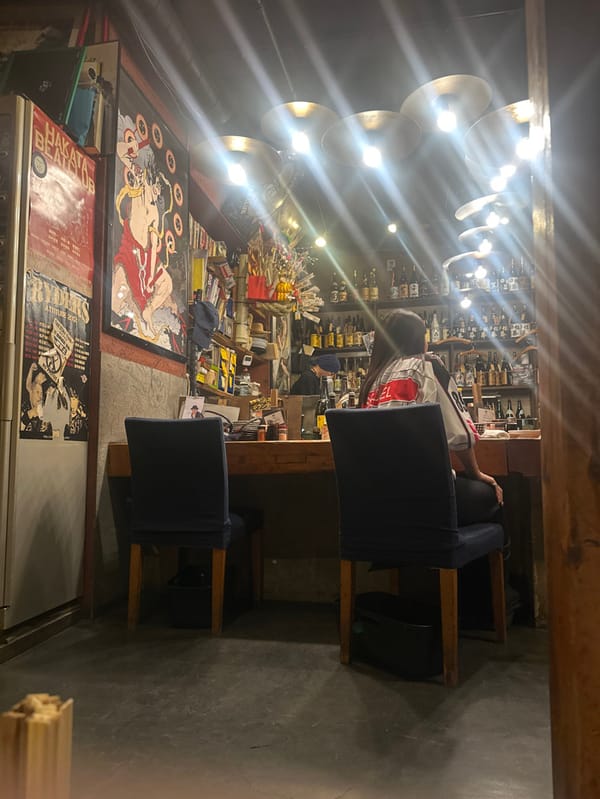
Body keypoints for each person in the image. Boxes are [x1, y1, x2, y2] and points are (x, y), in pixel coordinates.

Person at [359, 309, 503, 522]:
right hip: (425, 495)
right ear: (418, 340)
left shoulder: (372, 381)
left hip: (378, 499)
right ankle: (459, 552)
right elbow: (460, 434)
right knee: (491, 498)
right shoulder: (427, 365)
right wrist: (476, 473)